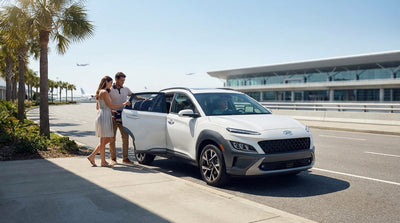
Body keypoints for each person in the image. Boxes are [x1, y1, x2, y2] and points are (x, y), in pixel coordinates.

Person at [87, 76, 131, 167]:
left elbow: (98, 107)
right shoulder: (104, 92)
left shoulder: (100, 92)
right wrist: (123, 104)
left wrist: (109, 110)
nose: (111, 85)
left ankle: (92, 156)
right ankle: (102, 162)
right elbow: (111, 105)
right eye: (110, 83)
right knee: (104, 140)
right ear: (106, 82)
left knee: (106, 139)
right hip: (105, 116)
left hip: (102, 115)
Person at [109, 72, 133, 165]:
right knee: (112, 138)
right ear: (116, 79)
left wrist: (146, 99)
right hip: (113, 116)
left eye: (124, 80)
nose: (123, 82)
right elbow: (106, 103)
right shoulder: (110, 90)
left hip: (124, 116)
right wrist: (110, 111)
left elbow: (133, 96)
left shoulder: (126, 89)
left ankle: (125, 158)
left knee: (125, 137)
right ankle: (113, 159)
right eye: (121, 80)